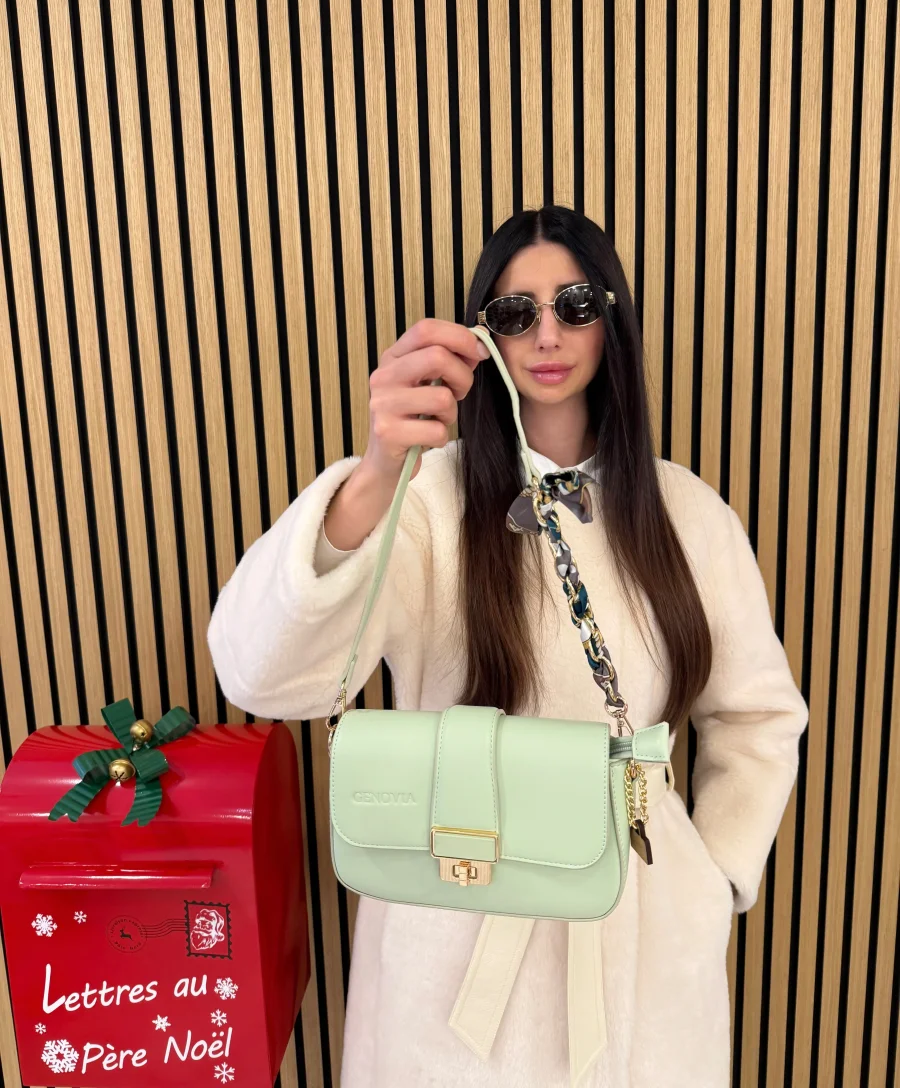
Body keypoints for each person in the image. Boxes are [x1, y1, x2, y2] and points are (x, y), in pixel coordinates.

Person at [207, 205, 809, 1087]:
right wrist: (374, 475)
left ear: (612, 318)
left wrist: (710, 880)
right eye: (515, 313)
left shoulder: (687, 513)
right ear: (482, 333)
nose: (548, 335)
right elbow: (259, 674)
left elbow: (757, 715)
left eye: (575, 304)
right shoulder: (423, 503)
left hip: (639, 926)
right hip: (453, 915)